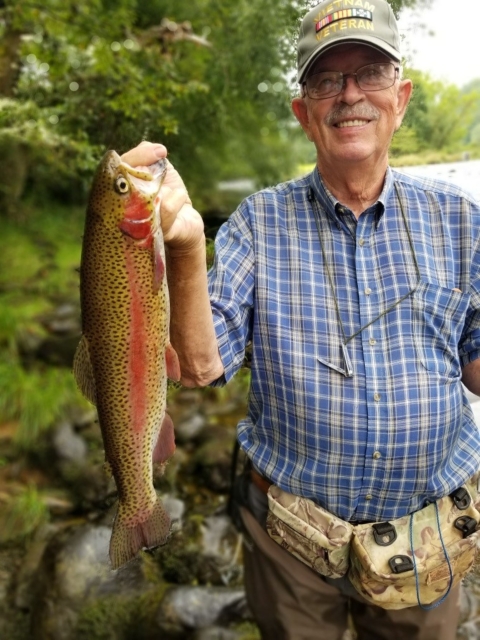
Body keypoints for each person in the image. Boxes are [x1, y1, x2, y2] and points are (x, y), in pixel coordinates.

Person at [122, 0, 480, 637]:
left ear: (401, 97)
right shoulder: (258, 221)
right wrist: (183, 246)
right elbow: (204, 368)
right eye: (325, 80)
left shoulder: (462, 219)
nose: (349, 97)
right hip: (289, 536)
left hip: (426, 540)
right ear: (303, 112)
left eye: (368, 74)